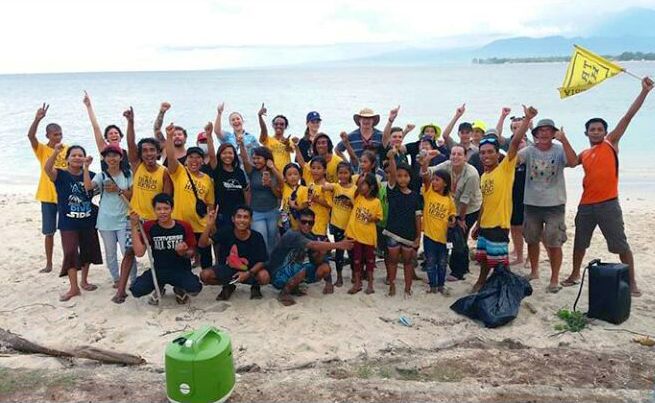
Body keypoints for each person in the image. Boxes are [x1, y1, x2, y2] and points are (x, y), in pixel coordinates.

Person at [562, 76, 654, 297]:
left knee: (620, 245)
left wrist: (644, 91)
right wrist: (563, 139)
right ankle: (574, 274)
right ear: (586, 133)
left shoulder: (610, 143)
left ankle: (631, 282)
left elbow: (628, 117)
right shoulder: (585, 153)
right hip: (586, 205)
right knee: (580, 243)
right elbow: (572, 162)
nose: (596, 132)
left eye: (599, 129)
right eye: (592, 129)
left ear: (605, 132)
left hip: (609, 204)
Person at [470, 106, 535, 293]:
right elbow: (484, 203)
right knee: (484, 258)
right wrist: (478, 225)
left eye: (490, 152)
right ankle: (482, 283)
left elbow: (514, 143)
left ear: (498, 153)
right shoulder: (484, 176)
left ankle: (505, 289)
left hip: (499, 225)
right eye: (483, 153)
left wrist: (526, 120)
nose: (486, 156)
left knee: (500, 263)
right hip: (485, 225)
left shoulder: (505, 169)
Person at [112, 107, 173, 304]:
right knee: (130, 252)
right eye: (145, 150)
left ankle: (160, 285)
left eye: (152, 150)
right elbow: (130, 144)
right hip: (135, 218)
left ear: (158, 153)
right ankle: (120, 290)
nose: (148, 153)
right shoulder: (137, 166)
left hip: (155, 221)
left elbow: (167, 199)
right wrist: (130, 123)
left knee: (159, 255)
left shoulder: (164, 172)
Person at [518, 117, 578, 292]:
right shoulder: (529, 151)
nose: (544, 133)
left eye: (548, 130)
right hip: (532, 204)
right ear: (535, 134)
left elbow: (573, 162)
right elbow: (513, 160)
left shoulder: (559, 150)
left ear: (553, 133)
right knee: (532, 239)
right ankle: (534, 271)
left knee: (554, 241)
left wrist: (564, 140)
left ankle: (554, 278)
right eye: (541, 130)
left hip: (555, 204)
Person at [45, 144, 103, 301]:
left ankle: (84, 281)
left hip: (88, 220)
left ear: (84, 158)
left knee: (87, 252)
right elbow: (47, 169)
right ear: (67, 159)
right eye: (73, 155)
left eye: (80, 155)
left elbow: (97, 191)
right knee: (70, 252)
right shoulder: (60, 175)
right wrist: (55, 152)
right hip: (68, 222)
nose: (77, 157)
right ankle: (73, 288)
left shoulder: (91, 175)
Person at [268, 208, 354, 306]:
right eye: (304, 222)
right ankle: (284, 293)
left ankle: (294, 287)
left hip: (291, 270)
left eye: (310, 223)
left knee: (324, 267)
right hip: (278, 274)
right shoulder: (292, 234)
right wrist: (339, 245)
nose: (307, 225)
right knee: (304, 268)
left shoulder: (309, 236)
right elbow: (314, 245)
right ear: (297, 221)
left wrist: (322, 254)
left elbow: (317, 260)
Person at [129, 193, 203, 304]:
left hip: (180, 270)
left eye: (166, 208)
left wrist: (183, 252)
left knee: (194, 288)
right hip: (158, 269)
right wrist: (134, 226)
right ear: (154, 210)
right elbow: (139, 253)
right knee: (136, 290)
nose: (162, 212)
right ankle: (159, 286)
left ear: (172, 209)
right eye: (159, 209)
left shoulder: (183, 226)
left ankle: (179, 288)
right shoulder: (149, 226)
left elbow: (192, 252)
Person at [83, 145, 135, 287]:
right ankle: (117, 279)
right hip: (105, 220)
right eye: (108, 156)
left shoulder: (128, 175)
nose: (111, 159)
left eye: (115, 155)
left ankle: (133, 279)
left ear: (121, 157)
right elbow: (88, 187)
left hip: (124, 219)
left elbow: (132, 195)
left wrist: (118, 190)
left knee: (127, 251)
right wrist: (86, 167)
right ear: (104, 159)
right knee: (110, 253)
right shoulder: (102, 175)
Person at [165, 123, 215, 270]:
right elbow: (170, 157)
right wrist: (169, 137)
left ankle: (206, 277)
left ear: (202, 161)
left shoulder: (207, 179)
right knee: (182, 256)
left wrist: (211, 223)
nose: (194, 160)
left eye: (198, 157)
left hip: (201, 224)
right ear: (186, 160)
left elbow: (210, 203)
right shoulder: (179, 172)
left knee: (206, 258)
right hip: (181, 223)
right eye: (191, 157)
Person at [429, 143, 482, 280]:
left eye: (459, 154)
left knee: (459, 236)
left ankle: (458, 272)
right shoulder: (447, 165)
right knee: (454, 236)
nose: (455, 157)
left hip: (470, 209)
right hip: (452, 206)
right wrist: (425, 161)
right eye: (453, 154)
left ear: (465, 157)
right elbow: (430, 172)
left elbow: (465, 200)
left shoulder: (472, 174)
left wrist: (461, 219)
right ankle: (463, 266)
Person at [198, 206, 270, 301]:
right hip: (228, 268)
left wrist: (248, 273)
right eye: (238, 216)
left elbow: (262, 261)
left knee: (264, 277)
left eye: (245, 217)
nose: (242, 220)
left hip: (249, 270)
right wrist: (208, 226)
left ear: (251, 220)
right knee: (205, 275)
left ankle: (255, 287)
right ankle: (228, 285)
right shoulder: (225, 232)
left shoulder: (257, 236)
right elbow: (202, 244)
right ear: (233, 219)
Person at [28, 103, 67, 274]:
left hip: (64, 196)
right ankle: (49, 263)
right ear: (48, 135)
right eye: (55, 134)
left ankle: (69, 262)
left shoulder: (67, 149)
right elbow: (30, 136)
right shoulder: (42, 150)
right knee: (49, 232)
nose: (58, 137)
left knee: (67, 231)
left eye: (60, 134)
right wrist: (37, 119)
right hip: (47, 196)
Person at [383, 148, 422, 296]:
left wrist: (418, 236)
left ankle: (407, 287)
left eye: (406, 176)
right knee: (392, 260)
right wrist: (392, 159)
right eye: (399, 176)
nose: (402, 179)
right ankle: (392, 285)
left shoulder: (415, 196)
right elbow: (392, 174)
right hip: (392, 232)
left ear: (410, 178)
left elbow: (417, 217)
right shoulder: (392, 191)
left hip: (409, 234)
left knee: (408, 262)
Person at [241, 142, 283, 253]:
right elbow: (245, 160)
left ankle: (271, 263)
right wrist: (241, 144)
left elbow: (280, 193)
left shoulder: (274, 172)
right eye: (254, 158)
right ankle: (262, 262)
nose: (255, 161)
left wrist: (271, 184)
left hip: (272, 211)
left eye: (258, 158)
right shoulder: (252, 171)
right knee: (262, 240)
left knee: (272, 241)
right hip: (256, 212)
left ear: (266, 159)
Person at [346, 172, 383, 294]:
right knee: (356, 261)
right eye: (360, 184)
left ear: (371, 187)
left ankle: (370, 285)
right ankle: (357, 283)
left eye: (364, 184)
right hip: (355, 235)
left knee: (370, 261)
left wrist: (372, 218)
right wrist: (362, 176)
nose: (361, 186)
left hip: (368, 237)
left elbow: (379, 218)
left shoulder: (376, 202)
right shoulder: (358, 197)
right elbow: (356, 185)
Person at [321, 162, 356, 287]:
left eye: (345, 173)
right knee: (339, 253)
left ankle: (354, 274)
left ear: (350, 173)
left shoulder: (355, 189)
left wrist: (350, 204)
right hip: (336, 225)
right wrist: (324, 185)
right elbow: (324, 187)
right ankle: (339, 277)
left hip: (350, 227)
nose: (343, 175)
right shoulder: (336, 187)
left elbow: (357, 206)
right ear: (337, 174)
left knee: (352, 253)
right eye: (340, 173)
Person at [82, 91, 130, 173]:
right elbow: (96, 128)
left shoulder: (126, 153)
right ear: (107, 138)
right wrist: (89, 106)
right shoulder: (103, 149)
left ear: (120, 137)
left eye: (116, 133)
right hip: (107, 181)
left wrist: (129, 120)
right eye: (110, 134)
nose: (113, 135)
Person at [213, 143, 250, 229]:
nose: (227, 156)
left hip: (239, 215)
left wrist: (247, 210)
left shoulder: (239, 172)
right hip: (222, 215)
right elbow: (211, 156)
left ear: (234, 155)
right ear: (219, 155)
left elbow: (245, 191)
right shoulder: (217, 171)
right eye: (224, 153)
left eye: (230, 153)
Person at [258, 103, 292, 173]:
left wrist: (287, 144)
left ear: (285, 126)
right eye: (276, 124)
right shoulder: (268, 140)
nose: (278, 126)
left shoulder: (289, 140)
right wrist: (260, 117)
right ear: (273, 125)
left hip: (285, 175)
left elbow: (290, 150)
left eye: (282, 124)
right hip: (270, 173)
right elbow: (263, 130)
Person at [153, 102, 188, 166]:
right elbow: (157, 130)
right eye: (174, 135)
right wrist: (162, 112)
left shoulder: (190, 155)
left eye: (179, 134)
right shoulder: (165, 150)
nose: (177, 136)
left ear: (185, 138)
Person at [280, 163, 308, 232]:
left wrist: (294, 206)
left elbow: (305, 206)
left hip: (299, 225)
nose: (293, 177)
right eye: (289, 175)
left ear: (300, 176)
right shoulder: (284, 187)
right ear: (285, 177)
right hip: (286, 224)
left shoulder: (304, 189)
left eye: (295, 174)